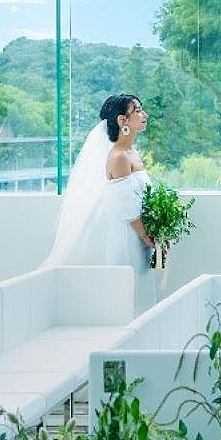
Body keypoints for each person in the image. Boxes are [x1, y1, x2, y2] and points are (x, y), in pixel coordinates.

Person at [42, 94, 157, 312]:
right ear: (122, 120)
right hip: (127, 238)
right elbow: (126, 207)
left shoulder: (132, 152)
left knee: (139, 298)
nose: (144, 115)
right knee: (126, 301)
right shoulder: (119, 157)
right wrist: (147, 236)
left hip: (139, 236)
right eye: (137, 110)